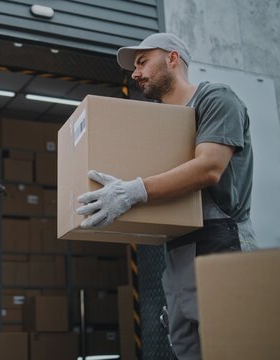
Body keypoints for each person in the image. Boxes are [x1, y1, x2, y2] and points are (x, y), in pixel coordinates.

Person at [75, 33, 256, 360]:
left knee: (232, 347)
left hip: (221, 240)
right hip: (177, 248)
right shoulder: (157, 126)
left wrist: (133, 191)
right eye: (135, 66)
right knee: (188, 349)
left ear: (173, 58)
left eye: (143, 61)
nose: (135, 73)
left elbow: (209, 168)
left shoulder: (214, 98)